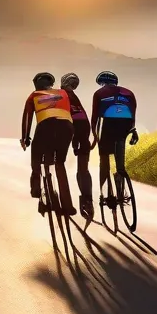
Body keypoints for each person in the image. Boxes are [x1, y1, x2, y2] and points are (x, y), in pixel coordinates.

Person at [20, 72, 77, 217]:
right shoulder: (63, 93)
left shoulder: (34, 95)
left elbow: (27, 118)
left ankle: (36, 189)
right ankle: (68, 206)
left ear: (36, 84)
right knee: (60, 164)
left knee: (37, 156)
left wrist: (25, 138)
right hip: (67, 127)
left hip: (46, 127)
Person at [90, 70, 138, 199]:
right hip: (126, 125)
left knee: (104, 158)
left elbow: (95, 118)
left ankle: (105, 193)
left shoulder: (99, 93)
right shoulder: (129, 93)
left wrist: (95, 137)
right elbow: (133, 114)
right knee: (119, 159)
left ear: (102, 83)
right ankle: (120, 179)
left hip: (108, 124)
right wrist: (133, 131)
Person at [60, 72, 93, 219]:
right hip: (84, 128)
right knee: (83, 169)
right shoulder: (75, 97)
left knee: (58, 162)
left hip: (68, 126)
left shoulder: (61, 94)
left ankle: (65, 201)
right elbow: (81, 118)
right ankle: (87, 199)